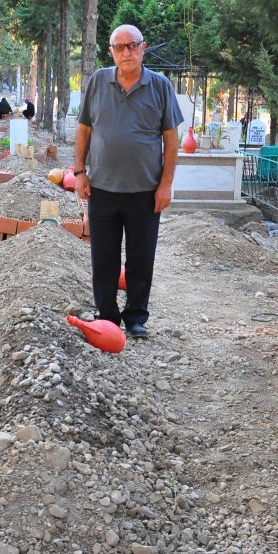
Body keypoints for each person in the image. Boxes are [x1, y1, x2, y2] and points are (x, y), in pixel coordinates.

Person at [73, 24, 182, 339]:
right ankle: (107, 316)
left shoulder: (160, 86)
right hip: (103, 188)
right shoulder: (98, 82)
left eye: (132, 45)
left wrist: (166, 184)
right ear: (111, 52)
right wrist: (79, 172)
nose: (126, 52)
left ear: (143, 48)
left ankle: (136, 317)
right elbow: (84, 130)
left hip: (146, 191)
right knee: (104, 257)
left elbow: (171, 142)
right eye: (119, 47)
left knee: (140, 256)